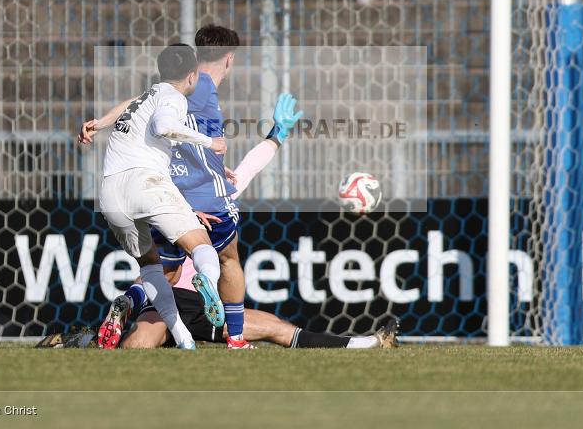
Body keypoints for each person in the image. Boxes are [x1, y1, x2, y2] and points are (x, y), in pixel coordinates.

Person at [97, 25, 304, 350]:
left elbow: (138, 105)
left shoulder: (167, 92)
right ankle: (234, 335)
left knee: (161, 272)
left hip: (130, 193)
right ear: (229, 60)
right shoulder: (201, 87)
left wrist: (101, 122)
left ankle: (134, 303)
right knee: (227, 258)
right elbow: (169, 127)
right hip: (190, 199)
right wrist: (271, 136)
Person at [82, 43, 227, 350]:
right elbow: (164, 127)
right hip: (145, 182)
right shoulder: (174, 97)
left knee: (151, 267)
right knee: (200, 245)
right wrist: (208, 142)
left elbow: (128, 104)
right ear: (192, 76)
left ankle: (184, 339)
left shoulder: (150, 94)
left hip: (110, 194)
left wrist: (100, 123)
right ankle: (209, 283)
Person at [120, 287, 398, 350]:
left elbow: (249, 169)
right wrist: (131, 298)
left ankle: (369, 342)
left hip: (205, 306)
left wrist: (276, 138)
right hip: (165, 302)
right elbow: (147, 273)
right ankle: (97, 339)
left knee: (278, 328)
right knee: (136, 348)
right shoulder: (160, 212)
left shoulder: (215, 202)